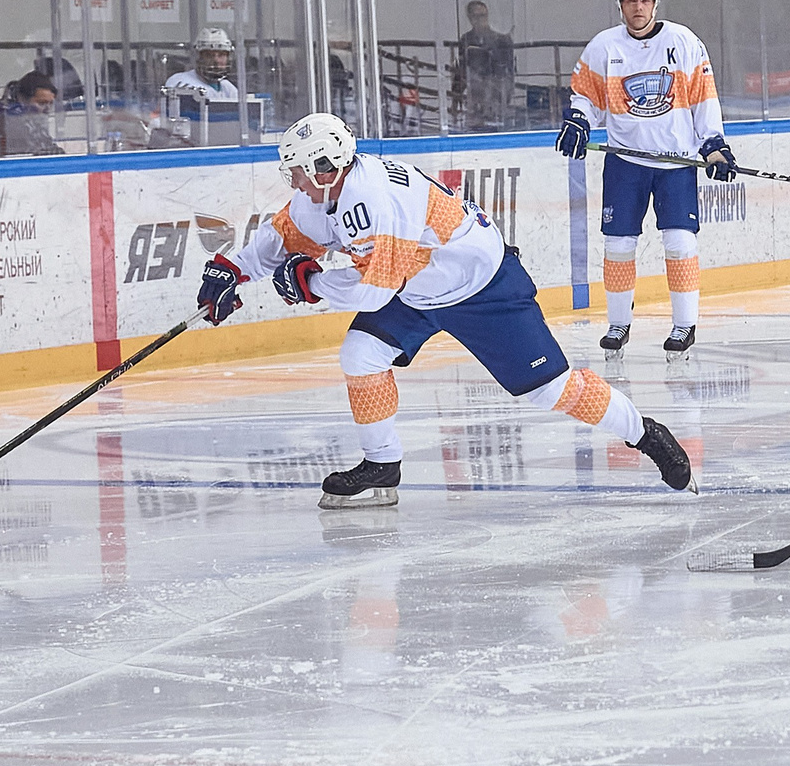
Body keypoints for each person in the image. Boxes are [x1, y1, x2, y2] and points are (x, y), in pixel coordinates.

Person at [196, 113, 692, 509]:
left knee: (550, 391)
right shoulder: (326, 192)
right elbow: (284, 236)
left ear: (327, 169)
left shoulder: (374, 200)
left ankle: (644, 433)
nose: (295, 181)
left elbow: (371, 291)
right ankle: (382, 467)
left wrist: (310, 283)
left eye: (300, 172)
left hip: (482, 289)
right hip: (419, 291)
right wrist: (231, 269)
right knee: (360, 354)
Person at [556, 0, 739, 354]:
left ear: (655, 3)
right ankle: (619, 323)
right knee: (619, 245)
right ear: (620, 5)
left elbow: (704, 96)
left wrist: (714, 145)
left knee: (679, 242)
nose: (637, 6)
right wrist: (579, 120)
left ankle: (684, 325)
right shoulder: (604, 46)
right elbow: (585, 95)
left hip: (676, 162)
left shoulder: (684, 41)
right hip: (626, 162)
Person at [156, 28, 243, 147]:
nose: (216, 61)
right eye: (209, 55)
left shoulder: (229, 88)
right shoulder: (179, 82)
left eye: (221, 55)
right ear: (198, 57)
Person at [451, 0, 515, 132]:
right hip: (476, 89)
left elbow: (507, 69)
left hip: (496, 88)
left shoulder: (501, 40)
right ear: (470, 18)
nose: (480, 20)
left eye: (483, 15)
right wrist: (457, 93)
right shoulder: (466, 39)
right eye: (476, 16)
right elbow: (463, 67)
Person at [0, 71, 63, 159]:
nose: (47, 109)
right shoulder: (5, 117)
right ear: (22, 99)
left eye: (50, 104)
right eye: (41, 103)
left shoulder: (34, 123)